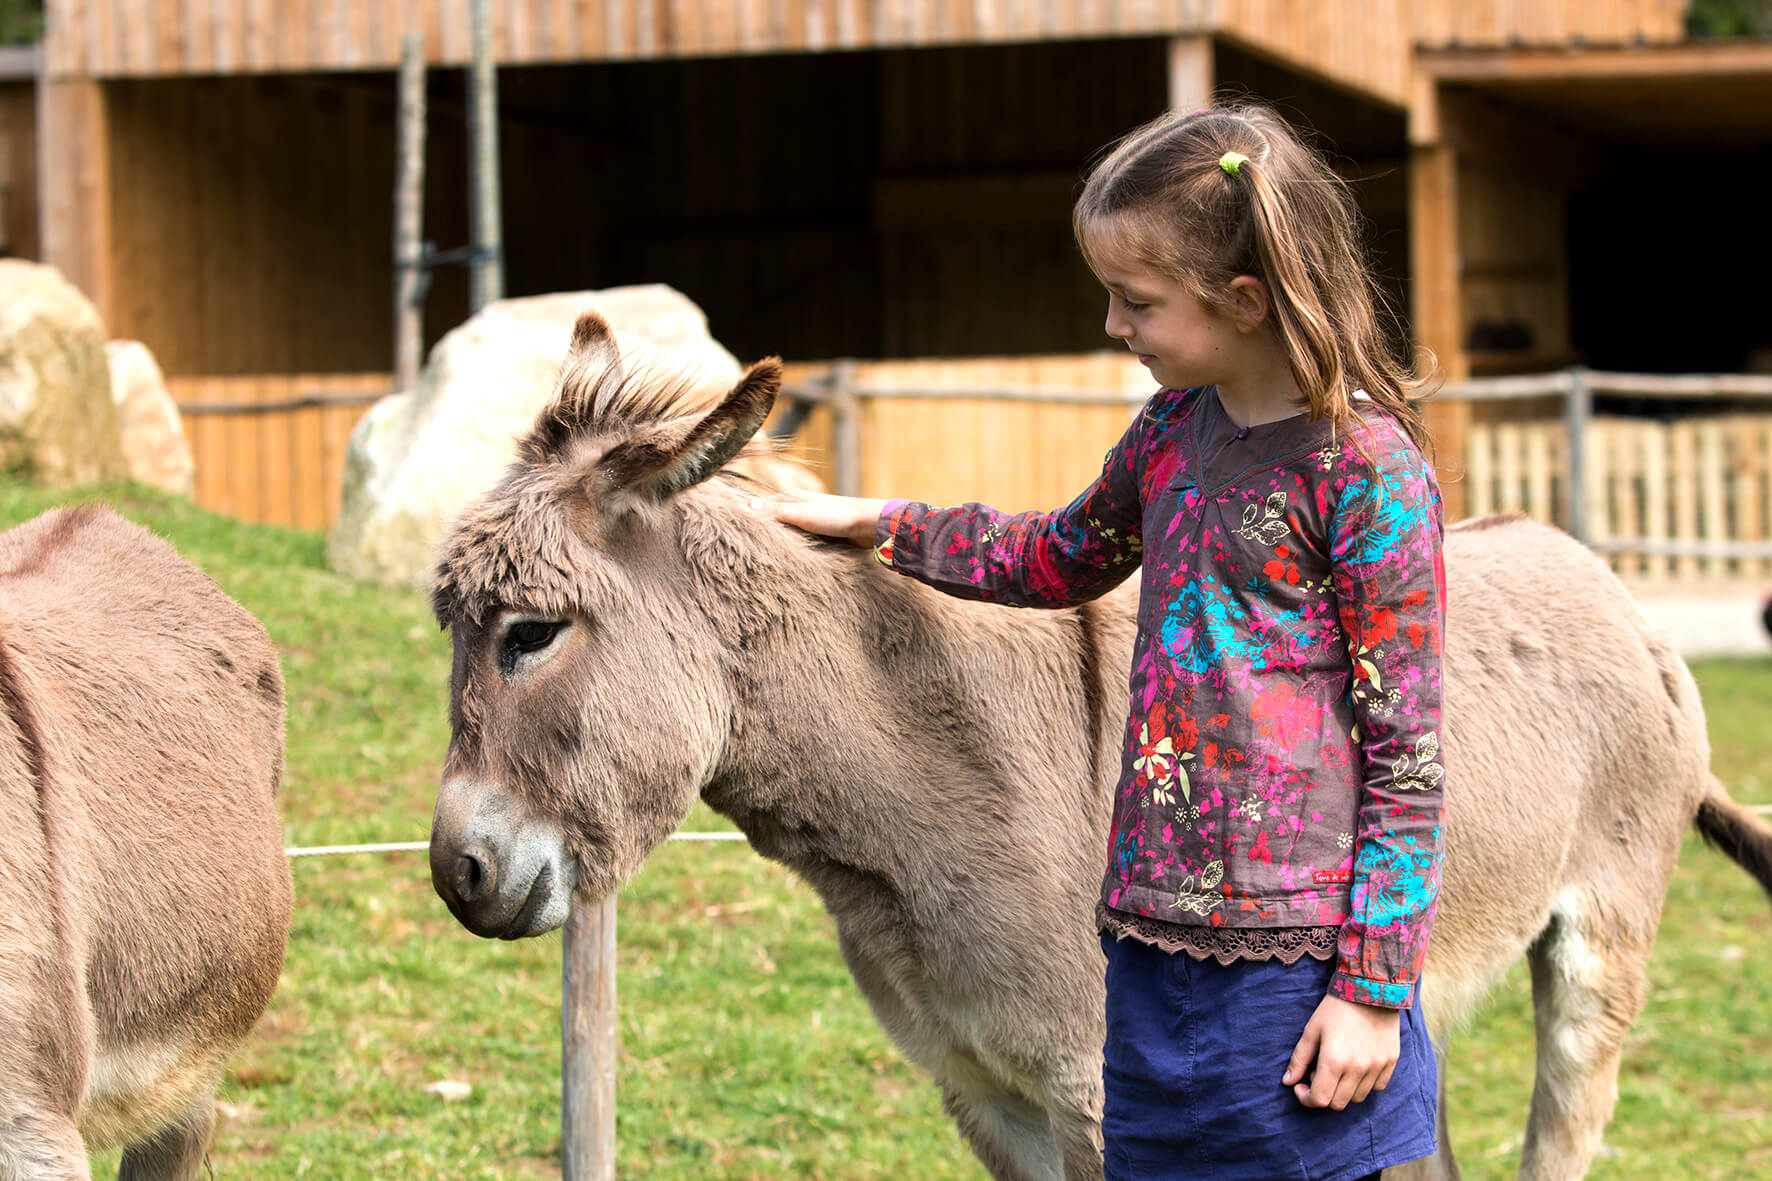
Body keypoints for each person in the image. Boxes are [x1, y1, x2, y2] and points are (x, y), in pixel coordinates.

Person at [756, 104, 1446, 1181]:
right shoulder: (1175, 429)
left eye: (1136, 302)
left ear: (1244, 300)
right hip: (1142, 940)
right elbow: (1056, 555)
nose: (1113, 326)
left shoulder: (1365, 470)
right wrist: (880, 524)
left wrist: (1369, 987)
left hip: (1297, 962)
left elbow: (1406, 754)